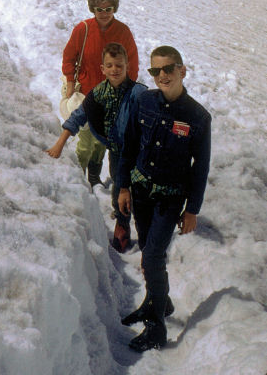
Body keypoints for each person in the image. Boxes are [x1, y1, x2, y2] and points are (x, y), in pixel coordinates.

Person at [118, 45, 211, 353]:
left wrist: (192, 210)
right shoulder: (144, 101)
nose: (162, 76)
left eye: (168, 69)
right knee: (147, 248)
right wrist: (123, 187)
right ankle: (158, 301)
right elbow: (128, 145)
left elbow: (200, 168)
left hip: (170, 200)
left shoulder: (198, 117)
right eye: (155, 71)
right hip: (142, 192)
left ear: (182, 71)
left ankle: (156, 328)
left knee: (154, 256)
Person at [48, 42, 146, 251]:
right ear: (102, 69)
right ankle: (122, 224)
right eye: (109, 65)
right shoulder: (99, 93)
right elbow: (79, 116)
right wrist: (60, 143)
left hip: (141, 153)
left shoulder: (139, 93)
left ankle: (148, 234)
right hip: (118, 153)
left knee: (142, 192)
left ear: (127, 66)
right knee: (120, 187)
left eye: (119, 65)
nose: (114, 70)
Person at [61, 0, 138, 186]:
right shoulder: (83, 29)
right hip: (87, 94)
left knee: (102, 141)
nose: (104, 14)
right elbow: (69, 57)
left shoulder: (123, 32)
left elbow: (133, 64)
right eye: (99, 9)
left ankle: (94, 176)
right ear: (92, 9)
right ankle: (80, 173)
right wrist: (70, 83)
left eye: (108, 9)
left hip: (112, 95)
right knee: (85, 140)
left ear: (115, 9)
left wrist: (125, 92)